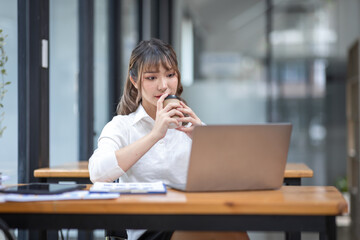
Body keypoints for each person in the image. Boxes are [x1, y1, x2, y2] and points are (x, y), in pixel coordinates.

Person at [89, 38, 249, 240]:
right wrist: (155, 135)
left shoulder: (191, 125)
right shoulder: (122, 126)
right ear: (134, 80)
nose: (163, 86)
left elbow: (232, 177)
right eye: (151, 78)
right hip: (149, 229)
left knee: (234, 229)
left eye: (170, 75)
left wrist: (204, 137)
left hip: (192, 216)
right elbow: (97, 172)